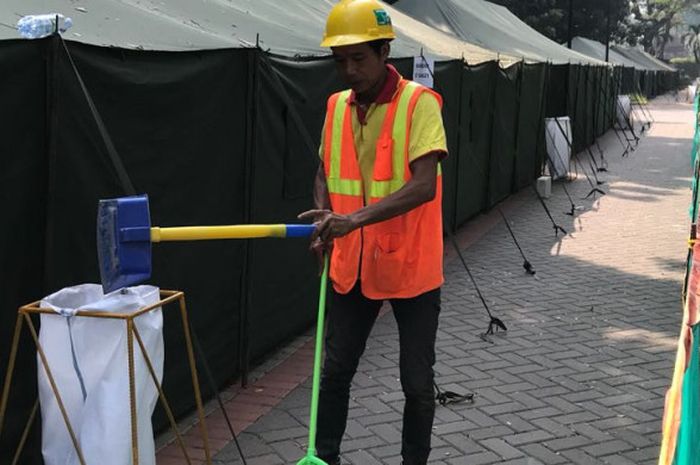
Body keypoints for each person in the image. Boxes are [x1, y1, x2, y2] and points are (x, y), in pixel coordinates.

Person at [298, 1, 447, 464]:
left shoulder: (419, 104)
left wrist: (353, 220)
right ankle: (324, 457)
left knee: (417, 383)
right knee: (335, 371)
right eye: (341, 60)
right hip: (351, 264)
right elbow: (324, 171)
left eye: (359, 58)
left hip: (409, 267)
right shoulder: (336, 106)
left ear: (385, 52)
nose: (349, 70)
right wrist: (326, 217)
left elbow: (423, 186)